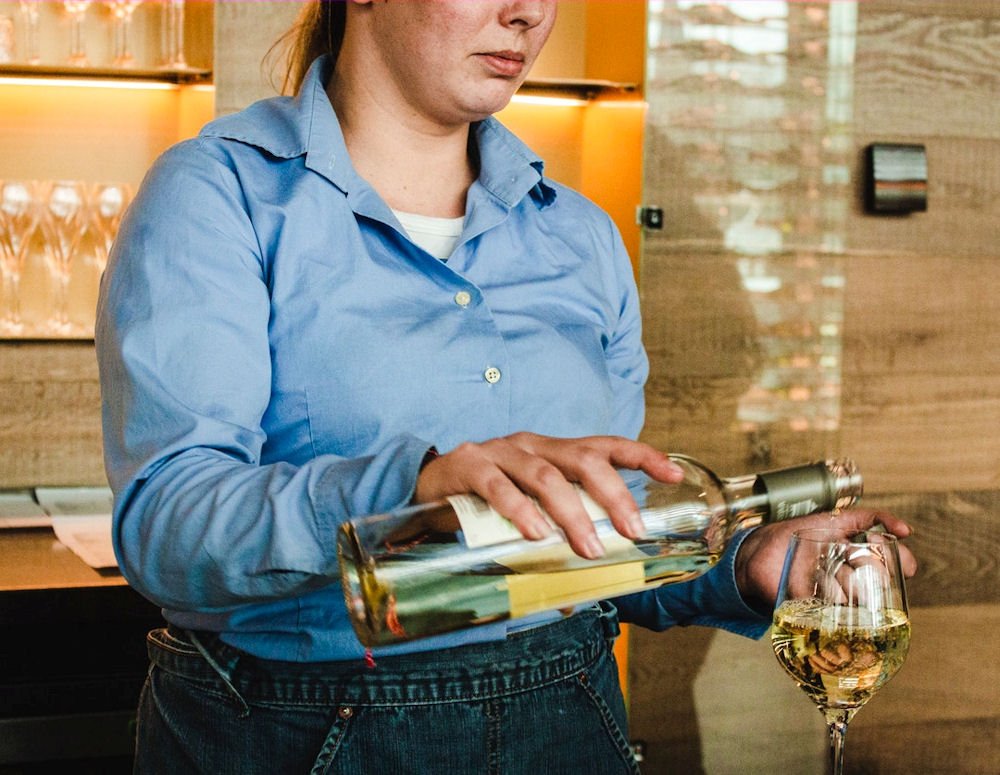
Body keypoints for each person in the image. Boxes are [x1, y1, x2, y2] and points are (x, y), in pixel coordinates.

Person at [95, 2, 916, 773]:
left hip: (567, 719)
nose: (529, 11)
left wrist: (743, 566)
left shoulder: (582, 236)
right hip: (294, 730)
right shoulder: (218, 194)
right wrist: (416, 485)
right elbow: (166, 528)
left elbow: (594, 546)